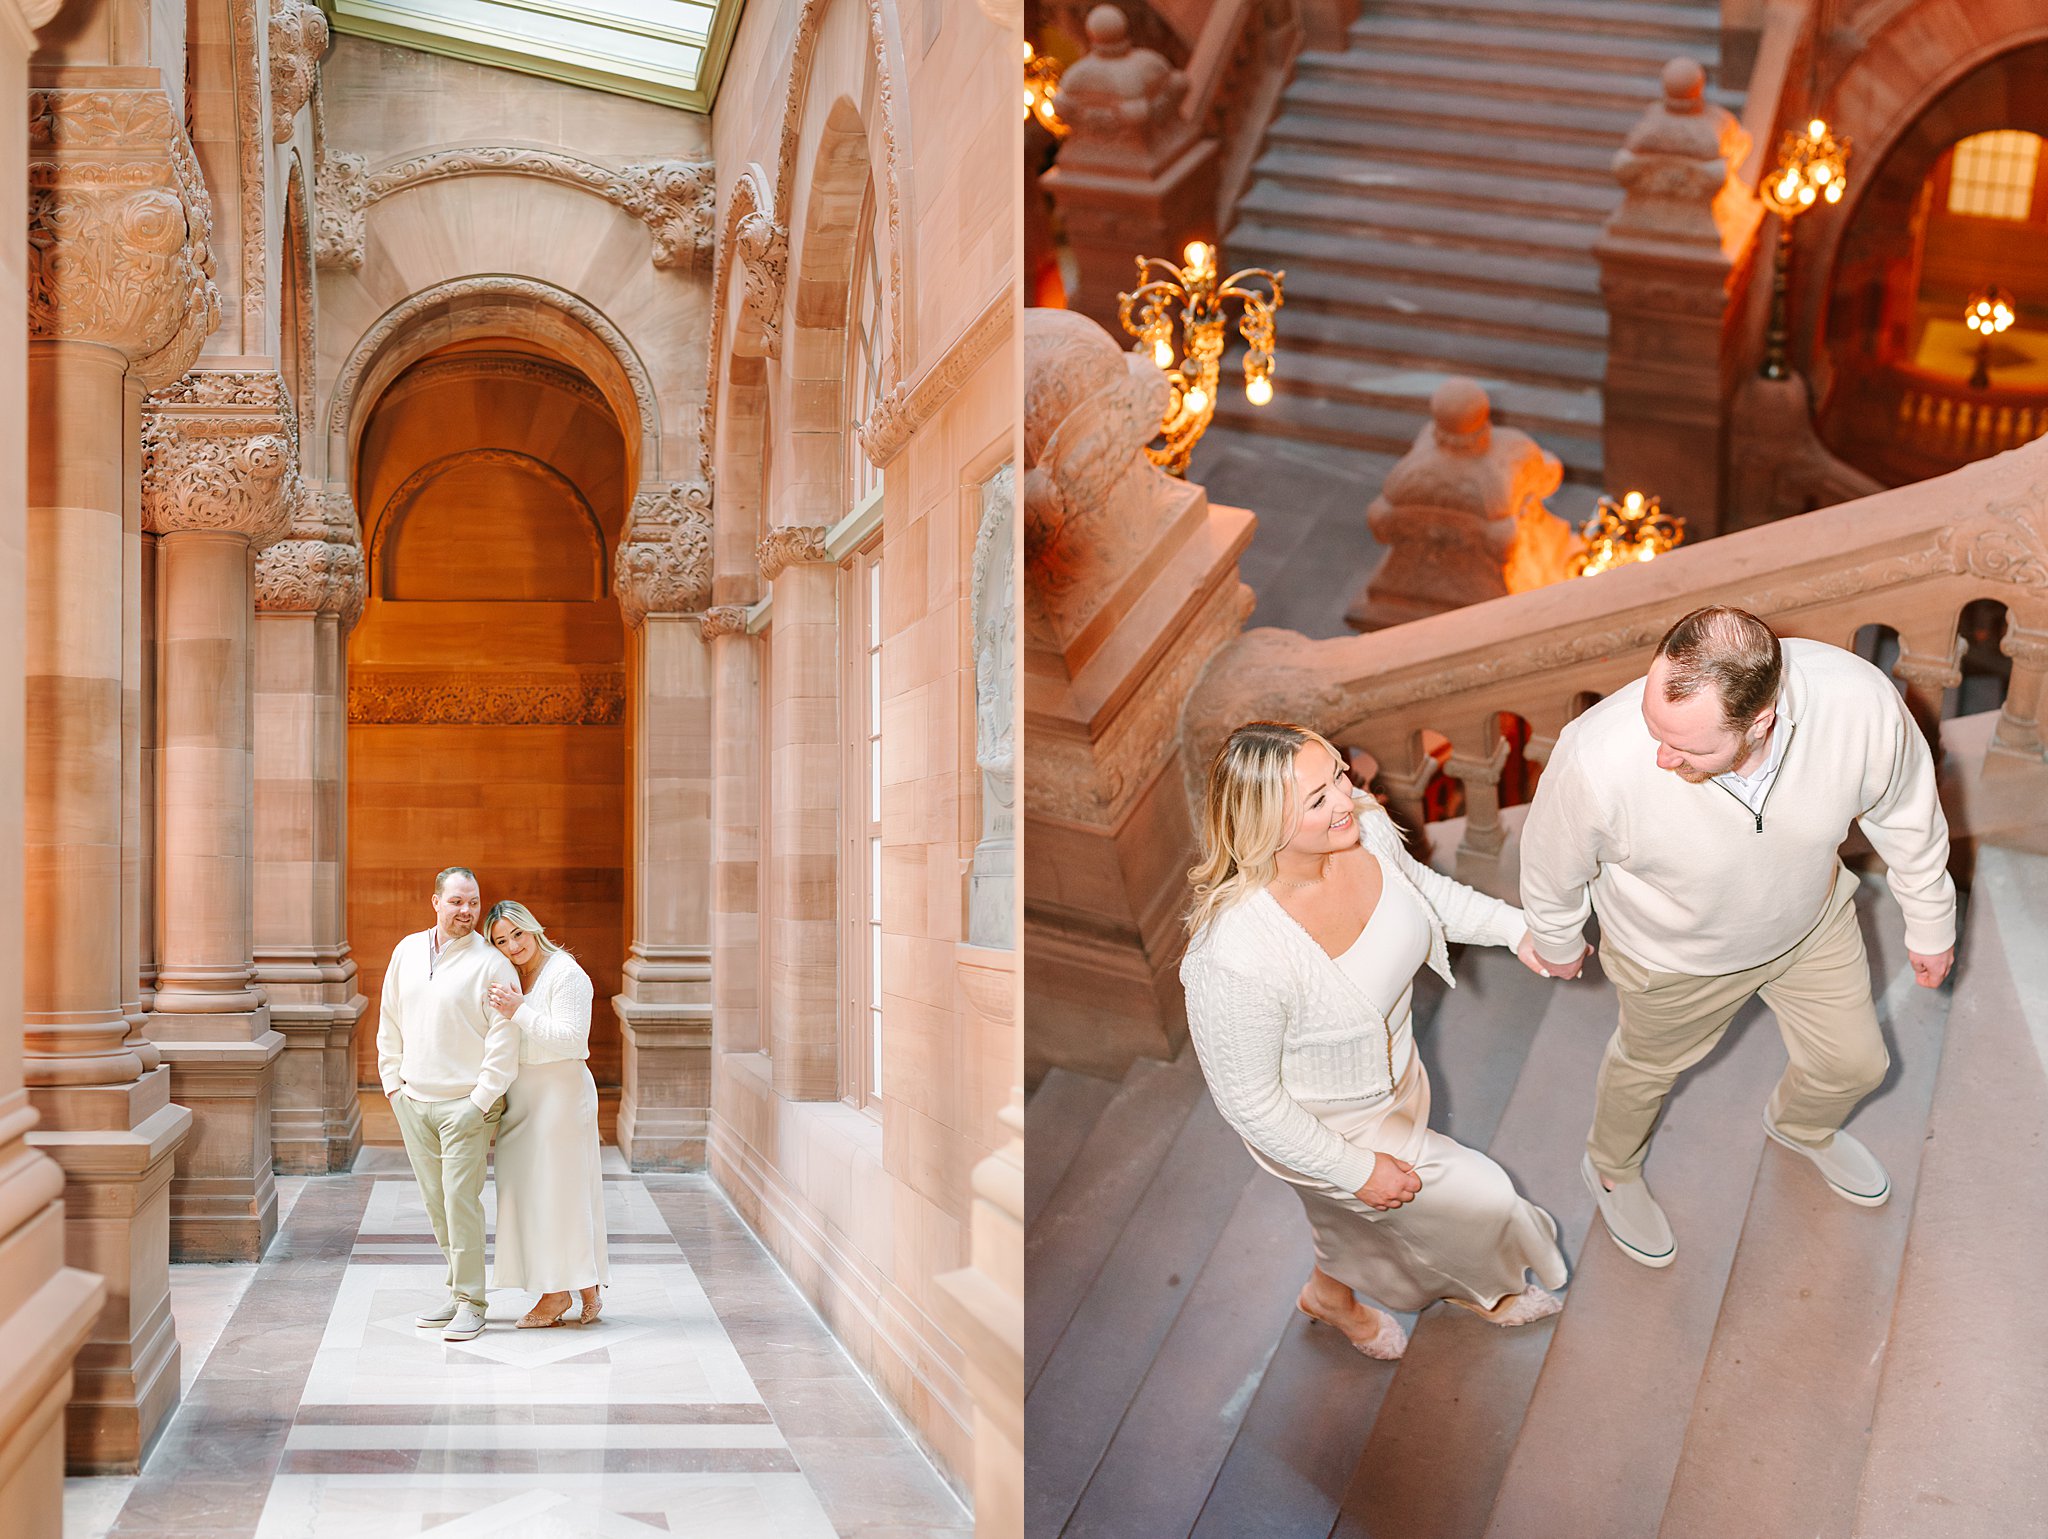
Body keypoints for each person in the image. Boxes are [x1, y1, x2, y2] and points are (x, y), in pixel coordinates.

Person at [1520, 606, 1956, 1269]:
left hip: (1810, 924)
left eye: (1689, 748)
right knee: (1646, 1069)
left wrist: (1930, 919)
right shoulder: (1596, 757)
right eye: (1653, 726)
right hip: (1672, 959)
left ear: (1761, 722)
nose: (1662, 755)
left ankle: (1800, 1124)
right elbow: (1552, 865)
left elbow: (1909, 814)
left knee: (1858, 1064)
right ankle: (1610, 1166)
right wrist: (1555, 941)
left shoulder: (1859, 704)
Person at [1179, 721, 1568, 1361]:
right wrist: (1353, 1170)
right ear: (1260, 824)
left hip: (1400, 1077)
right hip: (1325, 1127)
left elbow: (1421, 896)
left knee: (1352, 1224)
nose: (1347, 797)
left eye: (1338, 773)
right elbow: (1251, 1104)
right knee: (1483, 1196)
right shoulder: (1234, 957)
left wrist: (1514, 929)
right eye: (1317, 798)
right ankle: (1487, 1291)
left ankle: (1329, 1296)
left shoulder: (1362, 826)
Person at [377, 866, 521, 1340]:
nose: (467, 911)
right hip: (413, 1099)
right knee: (436, 1202)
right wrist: (393, 1085)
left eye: (474, 902)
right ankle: (458, 1291)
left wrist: (479, 1101)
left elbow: (505, 1037)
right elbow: (390, 1019)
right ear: (435, 902)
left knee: (461, 1202)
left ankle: (473, 1303)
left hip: (467, 1106)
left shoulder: (492, 963)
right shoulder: (406, 951)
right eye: (457, 901)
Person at [483, 900, 610, 1327]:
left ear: (532, 928)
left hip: (559, 1094)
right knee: (528, 1195)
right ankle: (584, 1283)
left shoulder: (566, 973)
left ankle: (555, 1295)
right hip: (524, 1098)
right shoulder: (514, 975)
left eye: (517, 934)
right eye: (501, 940)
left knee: (555, 1196)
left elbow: (573, 1041)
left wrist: (519, 1011)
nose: (513, 946)